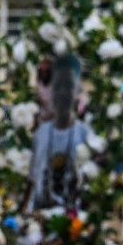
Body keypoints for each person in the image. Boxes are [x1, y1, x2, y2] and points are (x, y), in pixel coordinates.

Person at [27, 54, 89, 210]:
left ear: (76, 93)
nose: (62, 94)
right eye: (58, 87)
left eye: (68, 87)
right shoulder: (41, 133)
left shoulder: (84, 133)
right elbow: (33, 178)